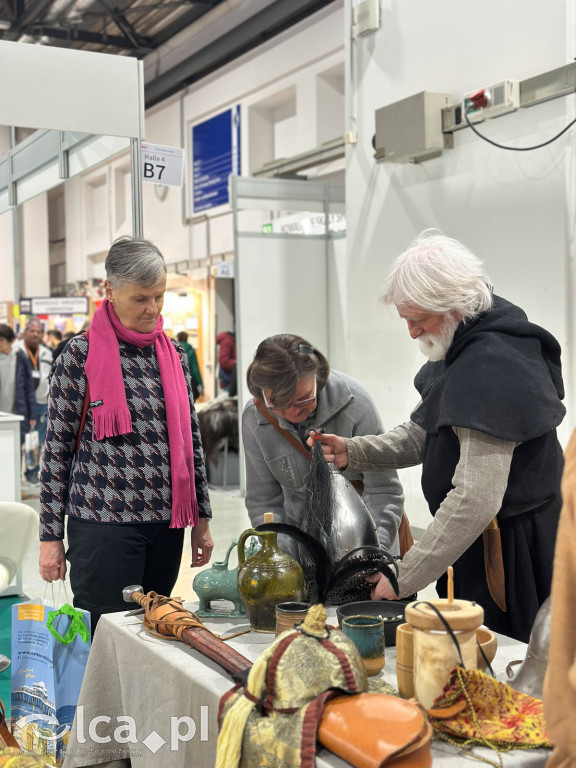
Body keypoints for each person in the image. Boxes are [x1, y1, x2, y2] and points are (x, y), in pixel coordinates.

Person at [313, 231, 565, 643]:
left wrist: (403, 576)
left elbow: (474, 500)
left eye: (418, 319)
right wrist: (352, 452)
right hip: (483, 544)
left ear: (454, 306)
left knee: (508, 674)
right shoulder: (464, 343)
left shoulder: (492, 364)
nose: (412, 332)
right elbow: (425, 433)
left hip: (513, 554)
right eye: (406, 320)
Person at [38, 236, 213, 630]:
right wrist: (50, 536)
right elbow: (56, 451)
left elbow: (192, 442)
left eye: (159, 296)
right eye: (141, 298)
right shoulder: (79, 355)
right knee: (105, 637)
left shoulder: (174, 355)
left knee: (156, 635)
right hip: (104, 527)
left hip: (167, 527)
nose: (153, 309)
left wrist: (202, 518)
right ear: (110, 291)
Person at [242, 334, 404, 557]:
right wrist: (282, 560)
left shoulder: (355, 403)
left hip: (366, 543)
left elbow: (383, 490)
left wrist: (372, 554)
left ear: (319, 378)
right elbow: (264, 502)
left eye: (304, 399)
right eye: (280, 405)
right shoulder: (255, 418)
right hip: (300, 551)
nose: (293, 412)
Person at [14, 318, 53, 481]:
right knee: (16, 441)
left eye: (38, 332)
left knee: (35, 441)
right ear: (25, 332)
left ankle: (31, 472)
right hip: (18, 404)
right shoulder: (15, 351)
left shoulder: (46, 352)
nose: (35, 334)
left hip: (41, 403)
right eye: (32, 331)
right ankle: (12, 473)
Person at [0, 323, 37, 444]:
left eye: (1, 340)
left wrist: (32, 414)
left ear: (11, 340)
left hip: (17, 413)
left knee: (15, 450)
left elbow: (29, 387)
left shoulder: (20, 357)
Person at [176, 331, 204, 400]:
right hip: (190, 380)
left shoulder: (173, 349)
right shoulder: (191, 350)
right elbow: (195, 369)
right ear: (186, 338)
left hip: (177, 380)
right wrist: (200, 384)